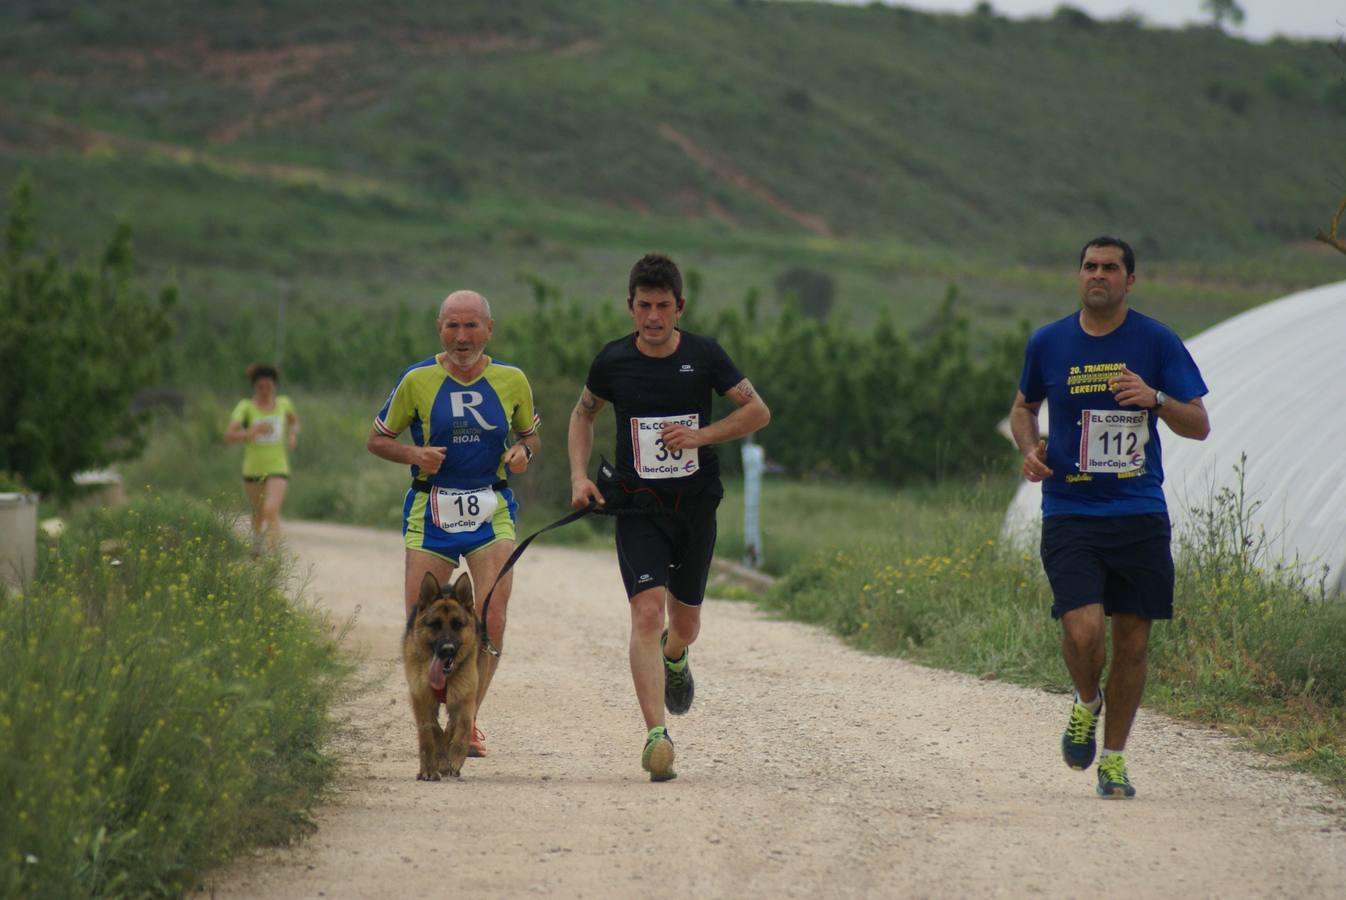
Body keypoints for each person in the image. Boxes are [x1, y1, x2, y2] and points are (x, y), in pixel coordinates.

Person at [1009, 236, 1210, 799]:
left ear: (1130, 280)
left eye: (1111, 268)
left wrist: (1155, 399)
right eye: (1090, 266)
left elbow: (1199, 424)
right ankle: (1086, 701)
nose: (1098, 275)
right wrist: (1028, 449)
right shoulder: (1049, 342)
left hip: (1138, 511)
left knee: (1133, 644)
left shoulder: (1156, 341)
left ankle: (1115, 760)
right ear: (1079, 275)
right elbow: (1023, 407)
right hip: (1070, 509)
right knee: (1083, 632)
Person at [568, 253, 770, 782]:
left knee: (685, 625)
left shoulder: (704, 355)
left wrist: (702, 436)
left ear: (679, 307)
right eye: (644, 306)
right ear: (630, 306)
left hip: (695, 507)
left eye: (662, 306)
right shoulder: (612, 361)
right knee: (645, 613)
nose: (653, 317)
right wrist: (579, 477)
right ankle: (656, 736)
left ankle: (674, 656)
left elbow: (758, 411)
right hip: (638, 508)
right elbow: (582, 414)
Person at [367, 290, 540, 759]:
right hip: (432, 510)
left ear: (489, 329)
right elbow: (377, 440)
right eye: (452, 326)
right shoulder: (417, 380)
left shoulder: (512, 379)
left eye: (471, 326)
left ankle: (467, 721)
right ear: (440, 329)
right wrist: (412, 453)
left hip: (490, 506)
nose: (462, 337)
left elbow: (530, 436)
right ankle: (432, 716)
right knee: (421, 623)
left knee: (493, 616)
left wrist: (523, 452)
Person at [224, 363, 300, 555]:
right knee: (258, 514)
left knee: (271, 510)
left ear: (275, 386)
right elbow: (229, 435)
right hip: (253, 469)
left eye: (269, 387)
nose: (265, 391)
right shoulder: (245, 407)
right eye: (260, 387)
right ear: (254, 387)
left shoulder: (284, 404)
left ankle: (275, 555)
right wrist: (250, 432)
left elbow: (294, 421)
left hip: (278, 467)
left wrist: (292, 435)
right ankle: (257, 542)